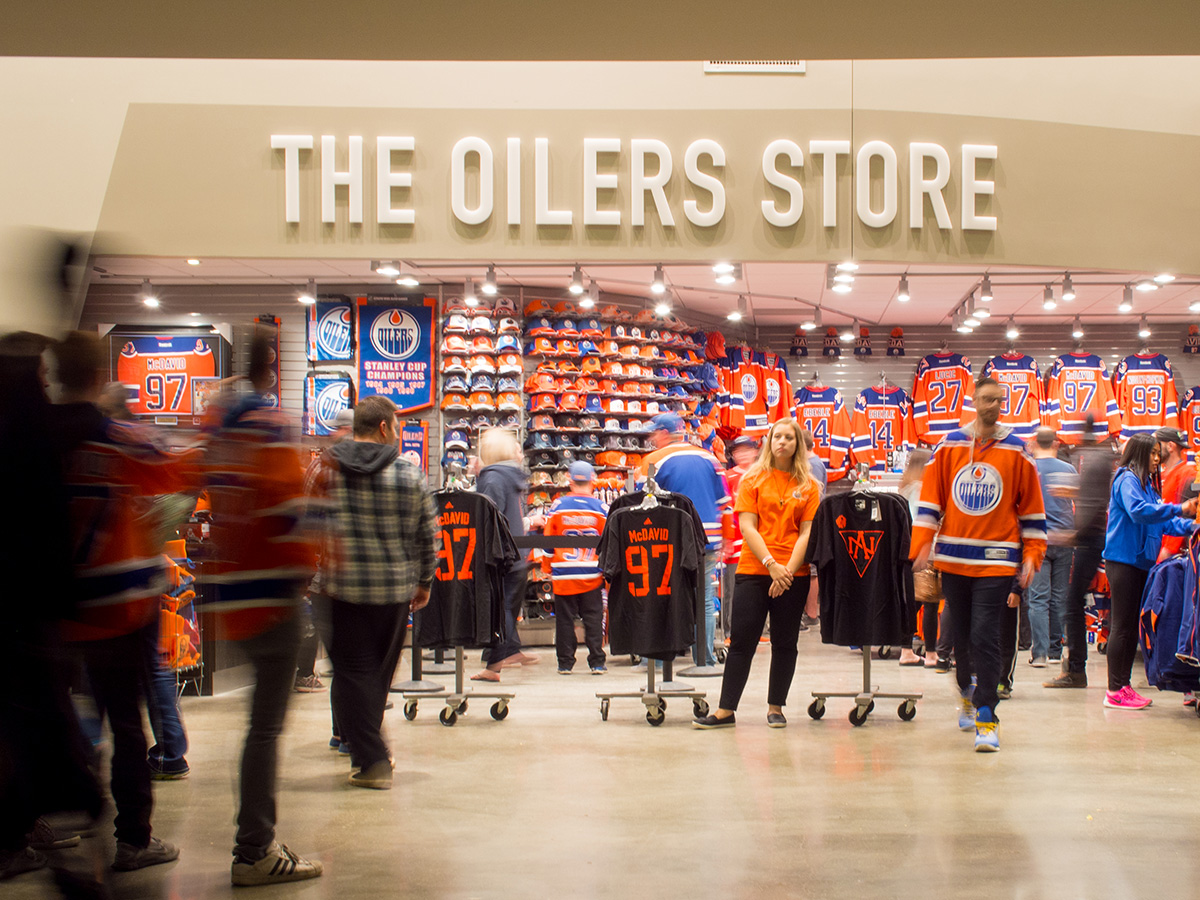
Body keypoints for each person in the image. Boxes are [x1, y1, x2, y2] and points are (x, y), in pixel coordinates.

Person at [54, 332, 189, 870]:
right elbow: (177, 473)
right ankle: (133, 838)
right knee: (127, 724)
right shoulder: (116, 437)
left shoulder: (28, 438)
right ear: (97, 373)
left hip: (53, 604)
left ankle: (44, 822)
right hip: (119, 604)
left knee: (49, 714)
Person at [199, 332, 323, 884]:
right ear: (271, 370)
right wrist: (317, 557)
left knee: (258, 727)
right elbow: (289, 515)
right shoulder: (269, 430)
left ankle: (255, 841)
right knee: (264, 730)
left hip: (231, 592)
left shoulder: (218, 430)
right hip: (272, 593)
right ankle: (254, 850)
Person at [911, 376, 1046, 752]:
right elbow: (931, 500)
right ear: (974, 401)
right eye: (986, 399)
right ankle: (967, 694)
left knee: (986, 635)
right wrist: (921, 545)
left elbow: (1032, 508)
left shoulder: (1018, 451)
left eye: (998, 400)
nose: (993, 406)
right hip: (953, 560)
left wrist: (1033, 553)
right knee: (962, 638)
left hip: (998, 562)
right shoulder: (950, 445)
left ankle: (987, 714)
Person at [308, 395, 435, 787]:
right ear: (384, 427)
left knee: (352, 672)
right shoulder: (410, 474)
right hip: (395, 590)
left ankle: (371, 758)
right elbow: (427, 535)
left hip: (339, 588)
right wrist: (424, 581)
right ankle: (371, 754)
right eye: (396, 426)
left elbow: (306, 526)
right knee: (377, 674)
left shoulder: (323, 469)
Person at [694, 418, 821, 729]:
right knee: (742, 641)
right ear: (769, 441)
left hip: (793, 573)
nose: (782, 442)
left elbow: (807, 533)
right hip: (755, 568)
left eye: (789, 438)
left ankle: (775, 707)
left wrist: (787, 571)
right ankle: (726, 710)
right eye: (777, 436)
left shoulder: (809, 487)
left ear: (797, 444)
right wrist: (771, 566)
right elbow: (747, 527)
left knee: (785, 642)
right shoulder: (753, 480)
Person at [1100, 433, 1197, 710]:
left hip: (1140, 562)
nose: (1157, 459)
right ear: (1141, 453)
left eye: (1158, 453)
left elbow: (1161, 523)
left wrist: (1191, 526)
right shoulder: (1127, 479)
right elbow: (1139, 512)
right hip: (1124, 562)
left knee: (1131, 627)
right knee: (1121, 626)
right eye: (1153, 454)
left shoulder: (1146, 484)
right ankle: (1114, 690)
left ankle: (1124, 686)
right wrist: (1180, 508)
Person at [639, 412, 731, 668]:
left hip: (670, 540)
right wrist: (726, 537)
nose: (652, 439)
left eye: (654, 433)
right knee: (702, 599)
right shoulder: (710, 459)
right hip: (707, 540)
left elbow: (643, 503)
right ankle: (704, 659)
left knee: (663, 595)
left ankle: (657, 660)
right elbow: (725, 503)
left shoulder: (656, 460)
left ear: (665, 433)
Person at [1044, 417, 1116, 689]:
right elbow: (1092, 499)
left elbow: (1094, 503)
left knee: (1072, 604)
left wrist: (1073, 533)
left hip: (1089, 540)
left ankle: (1076, 670)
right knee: (1071, 603)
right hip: (1088, 539)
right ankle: (1074, 668)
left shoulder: (1094, 459)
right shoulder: (1093, 457)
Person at [473, 428, 544, 681]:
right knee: (507, 608)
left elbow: (489, 518)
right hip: (516, 554)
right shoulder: (509, 475)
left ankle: (493, 667)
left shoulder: (492, 478)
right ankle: (509, 651)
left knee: (500, 610)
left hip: (501, 557)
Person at [543, 461, 608, 675]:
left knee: (564, 620)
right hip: (591, 571)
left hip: (564, 573)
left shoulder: (558, 506)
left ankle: (565, 663)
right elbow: (607, 543)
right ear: (593, 480)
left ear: (569, 481)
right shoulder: (601, 509)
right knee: (593, 618)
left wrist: (547, 566)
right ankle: (597, 661)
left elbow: (549, 541)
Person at [1027, 427, 1078, 667]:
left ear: (1034, 443)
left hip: (1037, 539)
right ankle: (1057, 652)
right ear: (1056, 444)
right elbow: (1074, 502)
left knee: (1038, 598)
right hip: (1064, 538)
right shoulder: (1068, 469)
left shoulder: (1029, 468)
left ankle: (1039, 653)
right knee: (1059, 597)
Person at [897, 449, 937, 667]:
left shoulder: (904, 488)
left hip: (906, 552)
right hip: (924, 551)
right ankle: (931, 653)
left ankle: (906, 649)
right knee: (929, 601)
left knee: (912, 602)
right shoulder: (922, 489)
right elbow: (923, 522)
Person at [721, 436, 759, 641]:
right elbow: (725, 508)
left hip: (760, 540)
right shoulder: (727, 477)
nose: (742, 454)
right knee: (733, 588)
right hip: (735, 541)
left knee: (759, 587)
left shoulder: (763, 474)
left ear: (755, 451)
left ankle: (756, 630)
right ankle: (731, 631)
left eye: (747, 450)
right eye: (738, 451)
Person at [1157, 426, 1191, 559]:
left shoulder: (1188, 473)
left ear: (1170, 446)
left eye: (1156, 444)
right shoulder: (1161, 475)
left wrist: (1169, 549)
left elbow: (1187, 515)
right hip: (1158, 547)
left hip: (1174, 557)